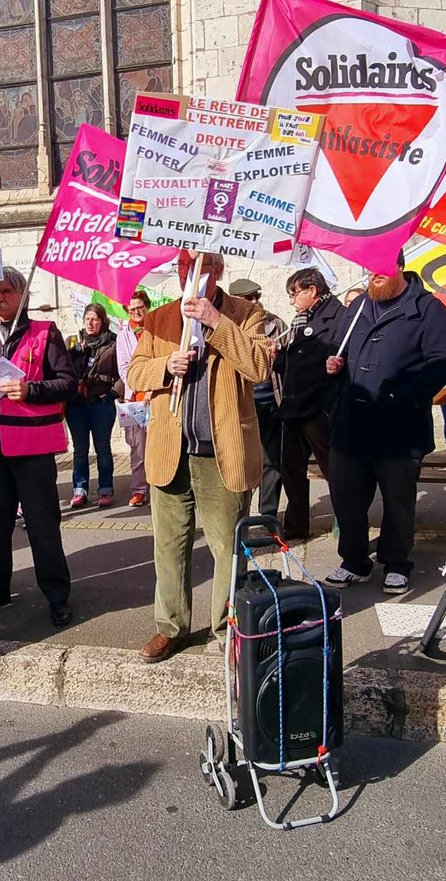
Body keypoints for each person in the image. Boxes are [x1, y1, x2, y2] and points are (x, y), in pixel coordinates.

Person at [127, 251, 273, 661]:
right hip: (169, 450)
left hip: (220, 453)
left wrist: (216, 322)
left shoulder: (247, 313)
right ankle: (171, 627)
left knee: (227, 548)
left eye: (200, 267)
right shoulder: (159, 318)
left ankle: (230, 632)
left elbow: (260, 366)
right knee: (169, 546)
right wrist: (163, 365)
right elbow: (134, 372)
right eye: (182, 267)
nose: (188, 275)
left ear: (219, 271)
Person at [325, 253, 446, 595]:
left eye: (382, 268)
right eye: (370, 268)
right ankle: (353, 561)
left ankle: (397, 563)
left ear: (399, 267)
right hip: (350, 425)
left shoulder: (428, 309)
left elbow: (442, 361)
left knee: (398, 500)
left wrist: (404, 396)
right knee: (346, 499)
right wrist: (335, 365)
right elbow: (338, 349)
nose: (374, 274)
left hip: (399, 427)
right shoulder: (356, 309)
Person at [0, 267, 77, 626]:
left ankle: (57, 594)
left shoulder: (45, 333)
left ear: (22, 294)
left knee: (43, 526)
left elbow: (68, 383)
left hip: (32, 447)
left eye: (7, 291)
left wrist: (31, 390)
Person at [273, 267, 344, 541]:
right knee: (291, 469)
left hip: (318, 408)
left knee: (333, 469)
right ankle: (296, 524)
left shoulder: (336, 316)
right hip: (293, 407)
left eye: (294, 294)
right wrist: (278, 357)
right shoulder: (300, 320)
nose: (292, 301)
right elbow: (295, 364)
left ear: (312, 290)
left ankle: (346, 520)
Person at [228, 278, 287, 521]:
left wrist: (276, 356)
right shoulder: (225, 326)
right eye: (248, 298)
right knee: (238, 460)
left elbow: (289, 365)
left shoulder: (275, 323)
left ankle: (268, 514)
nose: (255, 302)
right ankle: (236, 513)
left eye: (256, 296)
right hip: (239, 402)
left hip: (270, 400)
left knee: (271, 459)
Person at [67, 303, 120, 509]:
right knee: (80, 450)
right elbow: (62, 368)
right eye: (87, 318)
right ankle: (79, 490)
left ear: (102, 322)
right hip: (77, 405)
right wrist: (74, 352)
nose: (90, 323)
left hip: (101, 403)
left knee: (103, 449)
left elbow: (123, 371)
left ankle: (105, 489)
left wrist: (113, 392)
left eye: (95, 319)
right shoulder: (73, 341)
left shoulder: (113, 343)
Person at [116, 289, 153, 508]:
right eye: (132, 309)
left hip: (156, 395)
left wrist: (153, 387)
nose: (137, 312)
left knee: (160, 444)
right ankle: (140, 489)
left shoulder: (156, 329)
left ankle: (160, 487)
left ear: (146, 306)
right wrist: (140, 386)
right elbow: (123, 368)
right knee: (137, 447)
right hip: (135, 398)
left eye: (140, 307)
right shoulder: (123, 336)